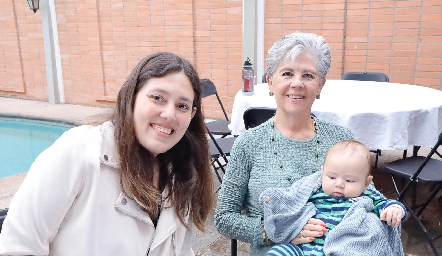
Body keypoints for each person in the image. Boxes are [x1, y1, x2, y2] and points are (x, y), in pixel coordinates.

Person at [0, 52, 214, 256]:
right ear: (132, 97)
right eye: (158, 98)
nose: (169, 114)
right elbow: (17, 246)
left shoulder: (182, 175)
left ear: (192, 115)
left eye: (182, 106)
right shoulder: (79, 153)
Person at [214, 32, 354, 256]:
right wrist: (275, 232)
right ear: (271, 82)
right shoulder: (249, 145)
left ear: (320, 85)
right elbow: (223, 218)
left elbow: (367, 201)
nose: (297, 83)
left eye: (308, 75)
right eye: (287, 73)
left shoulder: (342, 140)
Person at [262, 140, 406, 256]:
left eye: (349, 181)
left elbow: (385, 204)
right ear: (322, 172)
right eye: (331, 177)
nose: (339, 184)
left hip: (340, 250)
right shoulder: (313, 191)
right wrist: (275, 202)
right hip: (302, 250)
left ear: (366, 183)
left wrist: (394, 209)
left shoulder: (367, 196)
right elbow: (292, 202)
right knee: (279, 252)